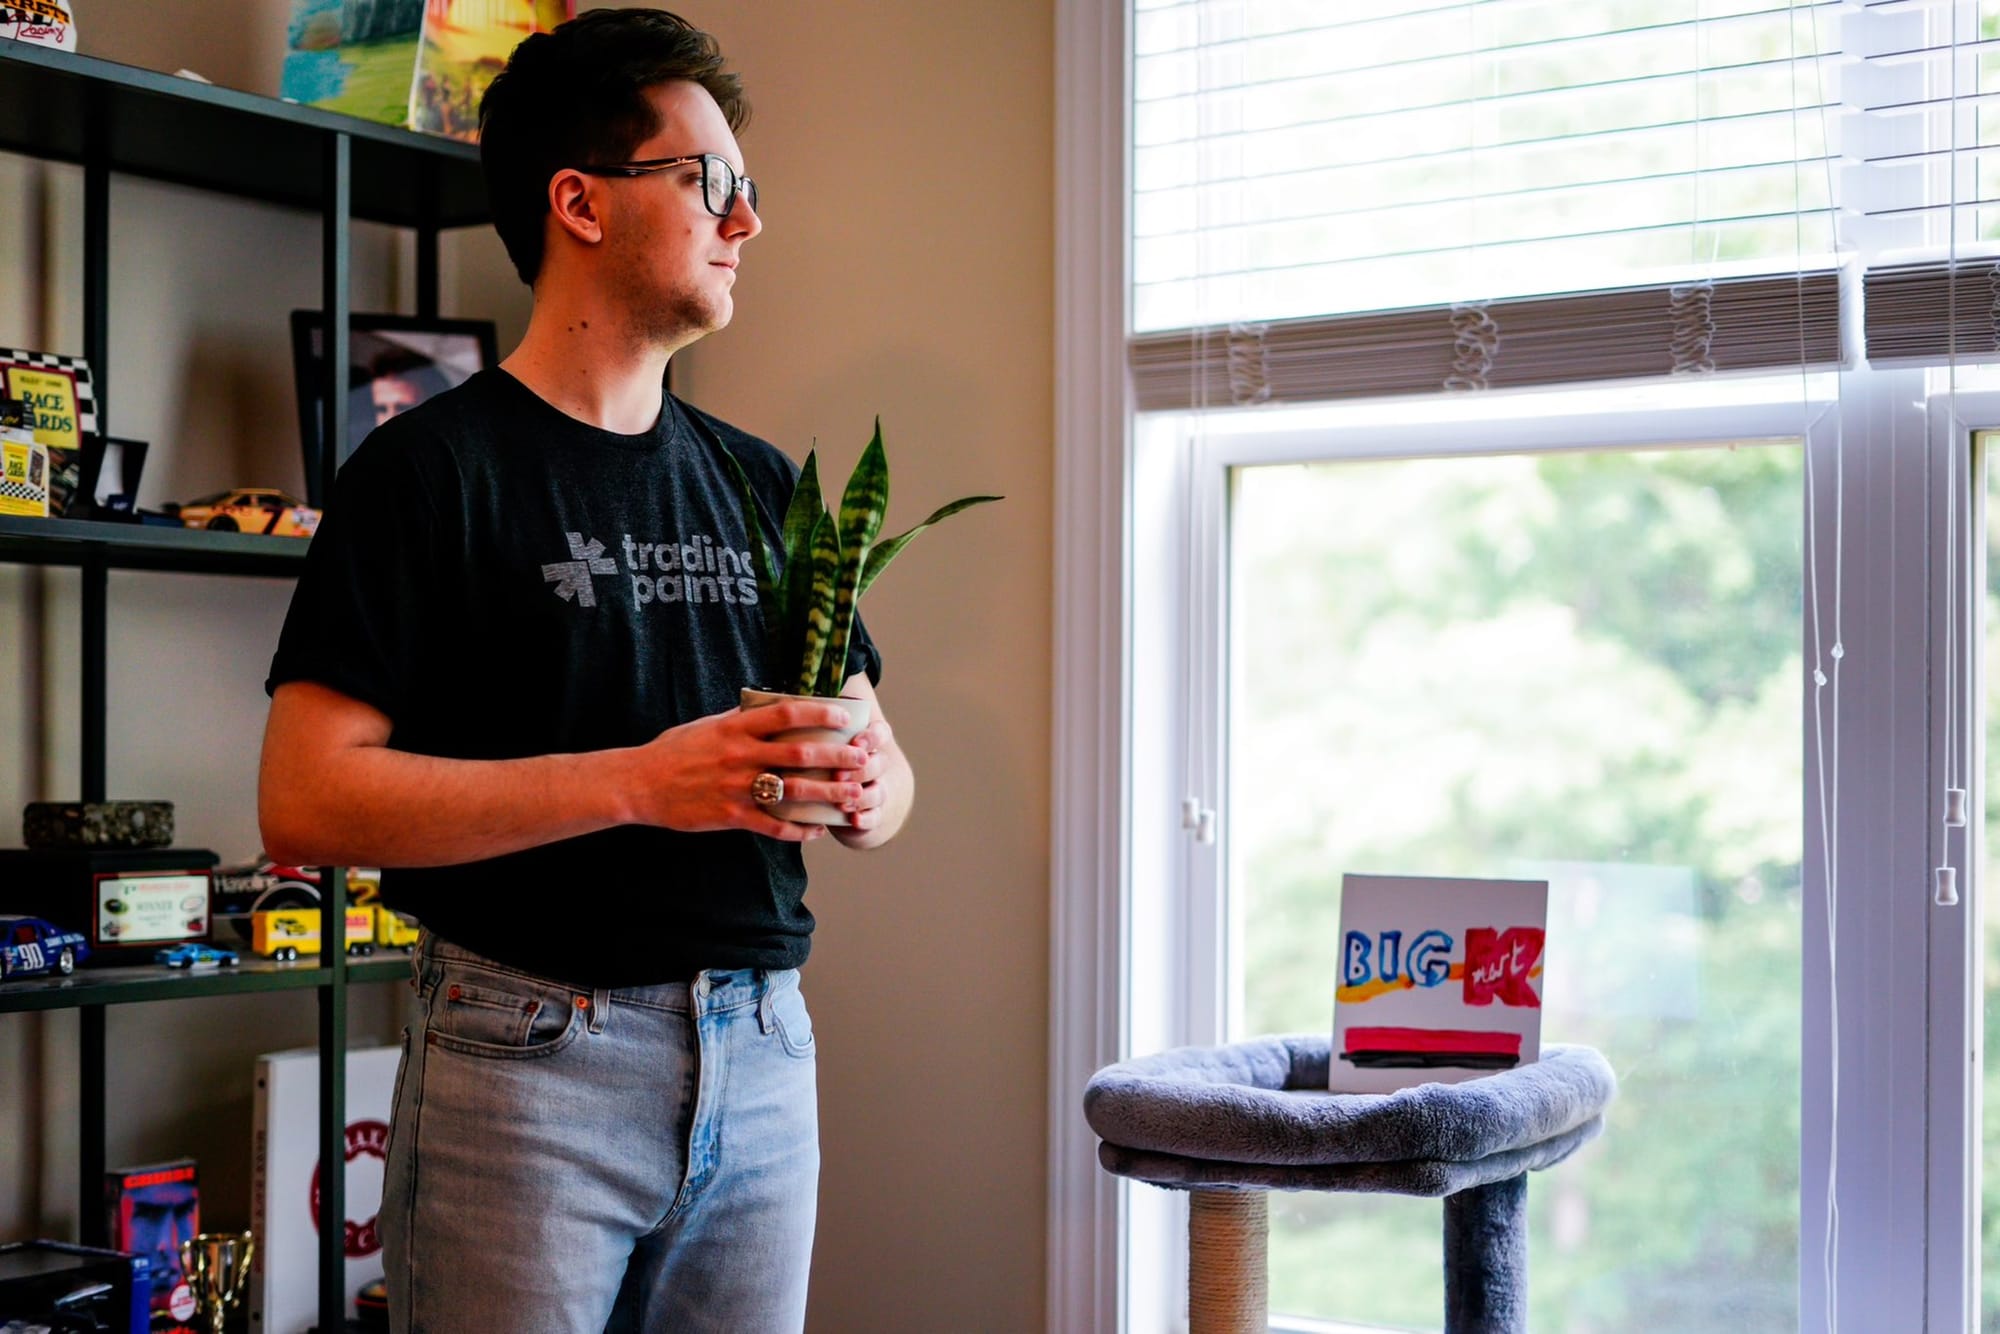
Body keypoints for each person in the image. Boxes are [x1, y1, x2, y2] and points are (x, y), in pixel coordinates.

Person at [255, 10, 913, 1332]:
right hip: (527, 1059)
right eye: (711, 182)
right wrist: (638, 782)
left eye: (749, 191)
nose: (746, 223)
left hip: (768, 1049)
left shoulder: (761, 482)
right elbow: (306, 800)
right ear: (581, 202)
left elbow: (887, 780)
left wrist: (859, 781)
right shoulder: (427, 470)